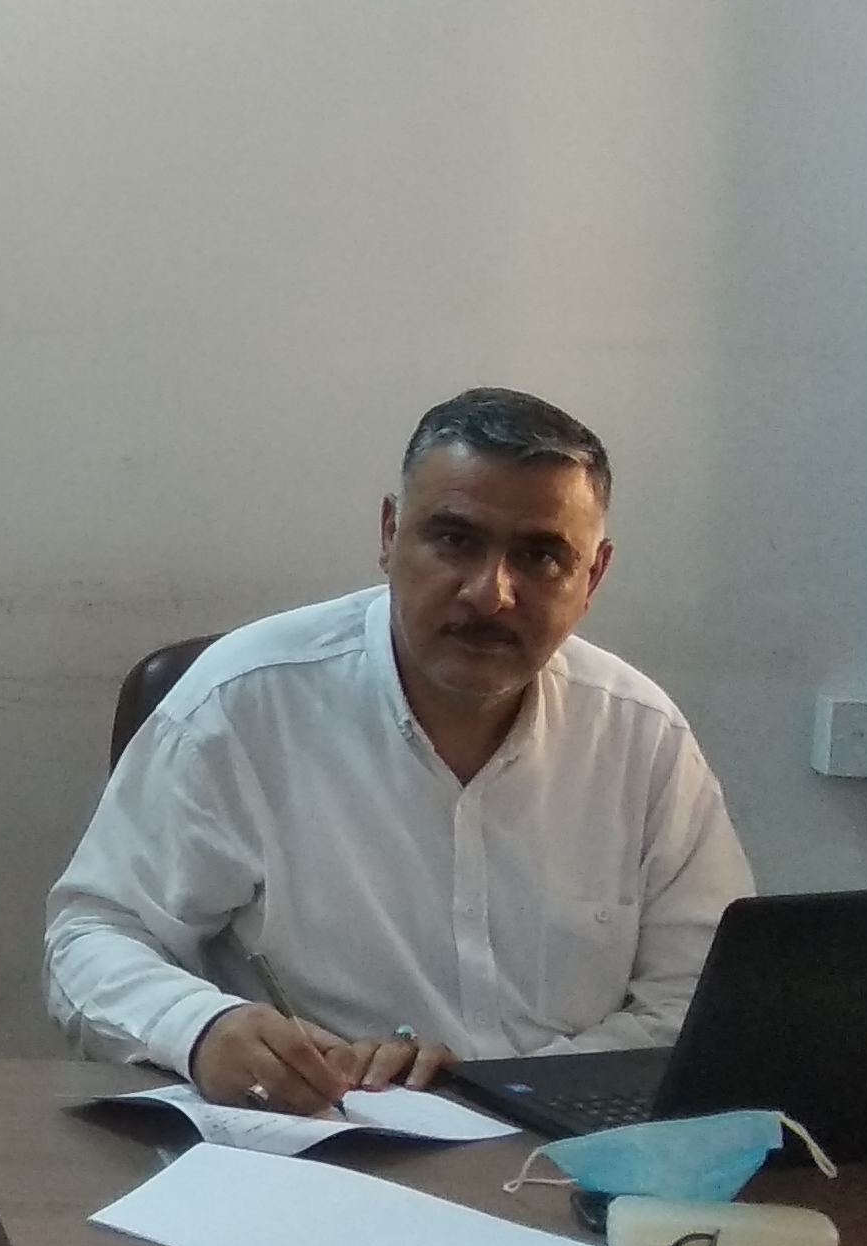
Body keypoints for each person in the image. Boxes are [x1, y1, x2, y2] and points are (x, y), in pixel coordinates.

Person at [44, 387, 752, 1112]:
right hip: (317, 1135)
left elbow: (703, 1000)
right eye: (454, 541)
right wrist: (200, 1028)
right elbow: (92, 934)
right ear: (389, 534)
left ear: (592, 576)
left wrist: (500, 1091)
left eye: (540, 556)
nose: (489, 595)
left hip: (562, 1142)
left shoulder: (642, 736)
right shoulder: (244, 705)